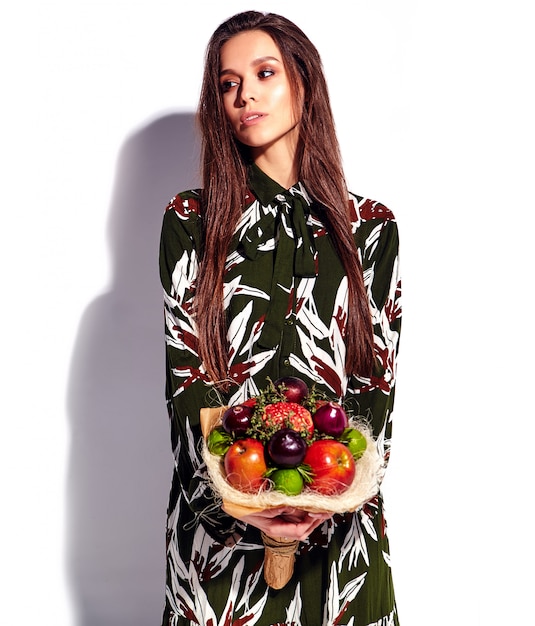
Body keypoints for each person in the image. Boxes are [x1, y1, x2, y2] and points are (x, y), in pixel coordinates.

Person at [159, 10, 401, 626]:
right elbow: (187, 379)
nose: (245, 95)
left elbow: (376, 383)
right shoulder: (191, 220)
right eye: (227, 82)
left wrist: (337, 495)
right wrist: (241, 499)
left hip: (338, 524)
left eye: (264, 73)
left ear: (303, 80)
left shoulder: (370, 228)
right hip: (221, 521)